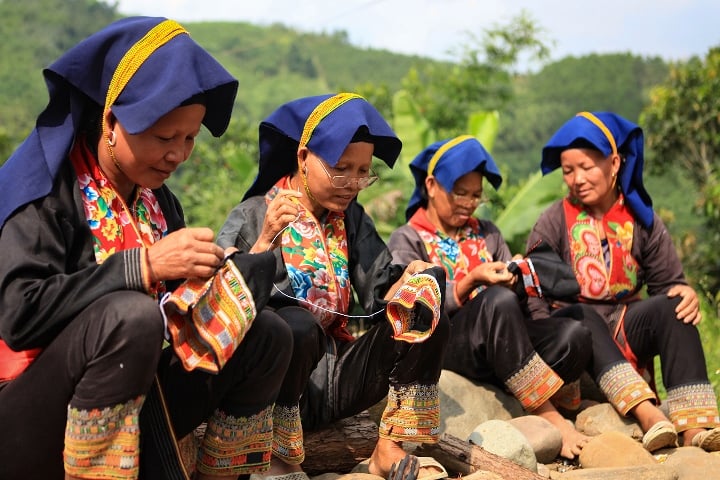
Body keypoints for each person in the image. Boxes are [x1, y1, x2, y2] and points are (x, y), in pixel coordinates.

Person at [0, 17, 293, 480]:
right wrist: (145, 264)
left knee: (269, 334)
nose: (177, 154)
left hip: (136, 393)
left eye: (190, 138)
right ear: (113, 121)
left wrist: (219, 279)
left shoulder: (159, 201)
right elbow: (19, 316)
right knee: (130, 316)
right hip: (28, 415)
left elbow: (174, 307)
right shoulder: (46, 188)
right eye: (164, 137)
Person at [217, 92, 450, 480]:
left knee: (426, 306)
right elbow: (223, 302)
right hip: (272, 383)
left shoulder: (351, 219)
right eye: (341, 168)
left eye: (362, 172)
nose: (353, 183)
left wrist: (412, 282)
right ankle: (277, 453)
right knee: (295, 323)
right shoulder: (254, 213)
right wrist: (264, 243)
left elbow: (379, 292)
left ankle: (388, 446)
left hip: (336, 377)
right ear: (303, 157)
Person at [387, 135, 597, 460]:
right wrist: (469, 281)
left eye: (476, 196)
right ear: (431, 185)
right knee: (496, 301)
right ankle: (548, 413)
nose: (469, 203)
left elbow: (518, 305)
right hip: (452, 347)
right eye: (460, 193)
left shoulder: (488, 232)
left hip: (505, 346)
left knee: (574, 334)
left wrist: (517, 277)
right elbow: (411, 310)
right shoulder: (407, 238)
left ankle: (524, 388)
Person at [526, 111, 720, 452]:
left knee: (676, 306)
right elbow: (533, 294)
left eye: (586, 167)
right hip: (576, 352)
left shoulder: (641, 220)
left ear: (614, 163)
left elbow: (667, 283)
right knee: (579, 315)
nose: (577, 179)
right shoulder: (553, 220)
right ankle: (649, 416)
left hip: (625, 331)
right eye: (568, 171)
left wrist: (685, 292)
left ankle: (695, 430)